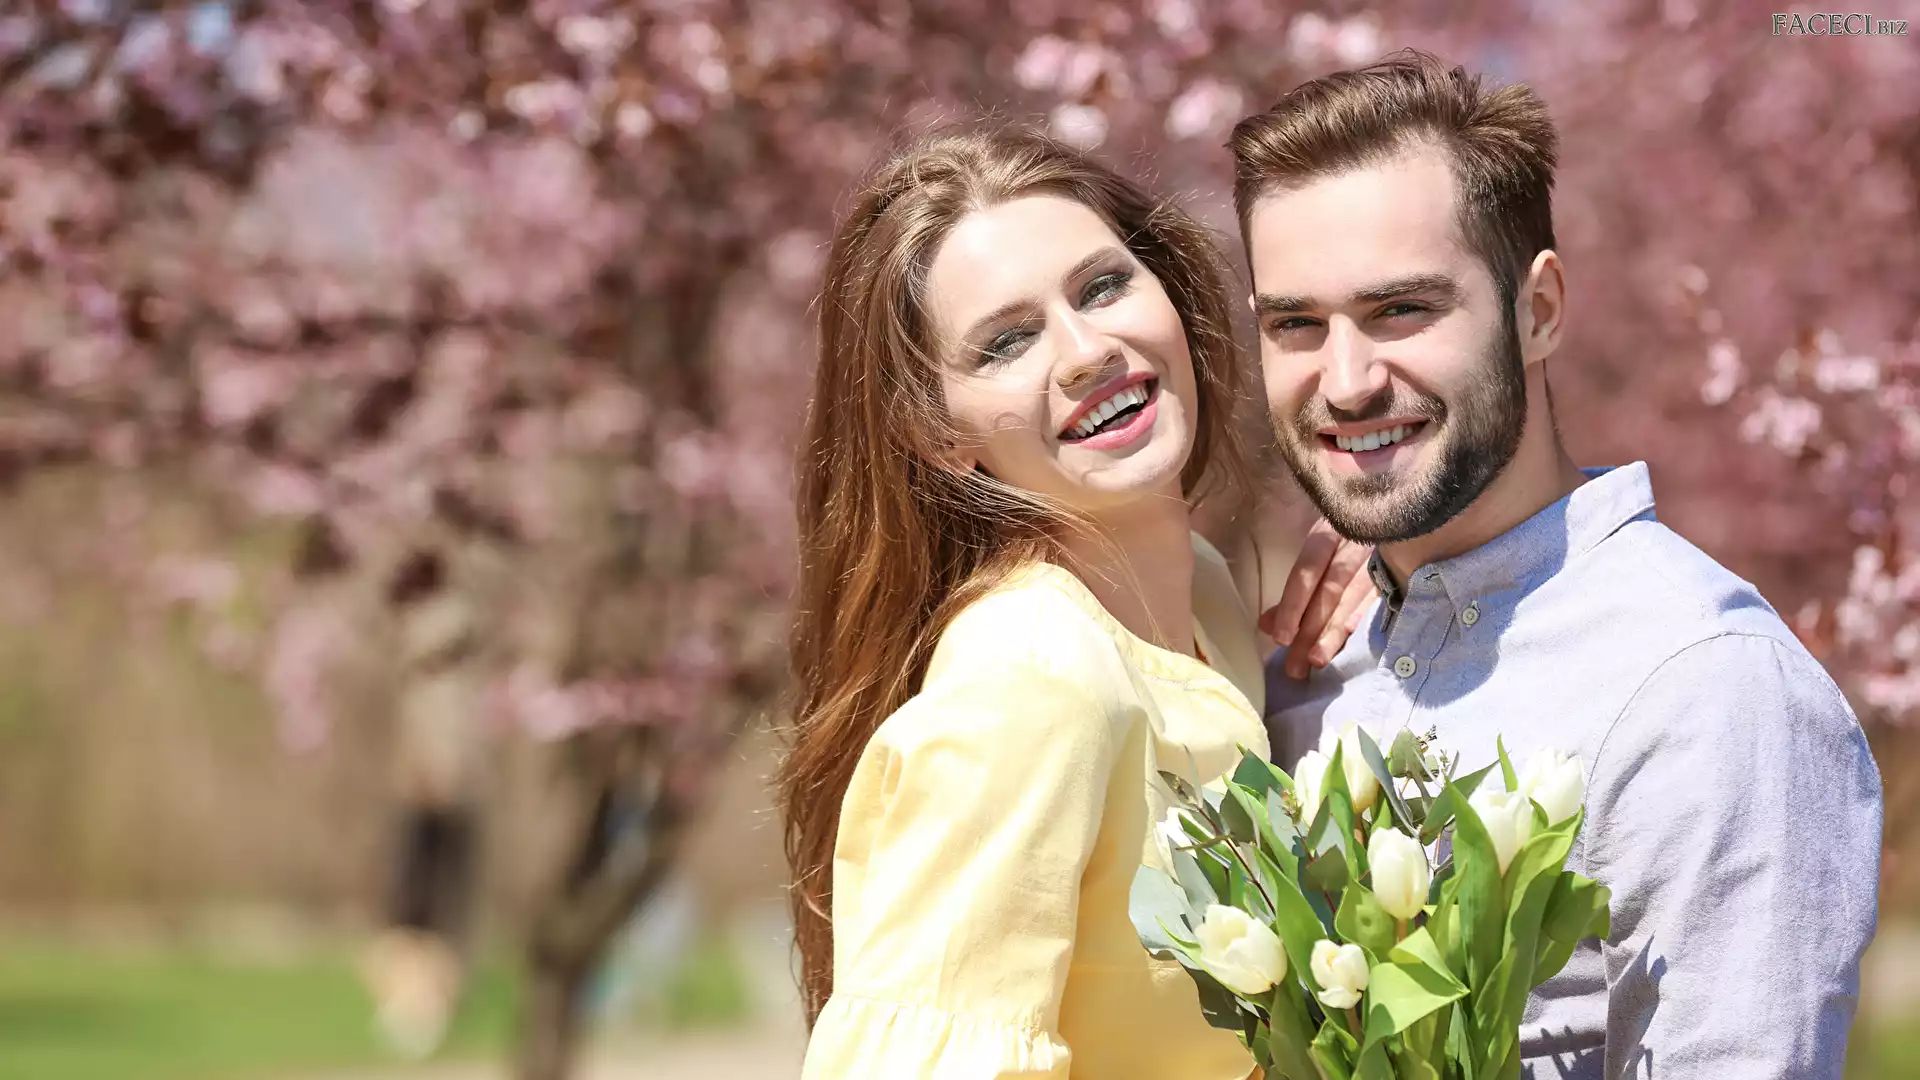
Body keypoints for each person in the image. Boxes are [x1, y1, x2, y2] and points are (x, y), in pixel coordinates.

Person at [1245, 51, 1883, 1078]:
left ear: (1538, 310)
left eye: (1401, 309)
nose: (1348, 379)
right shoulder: (1294, 669)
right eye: (1296, 324)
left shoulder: (1701, 687)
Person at [775, 126, 1366, 1080]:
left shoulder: (1206, 599)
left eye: (1101, 288)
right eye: (1007, 342)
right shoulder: (1032, 684)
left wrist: (1398, 549)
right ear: (937, 434)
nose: (1087, 351)